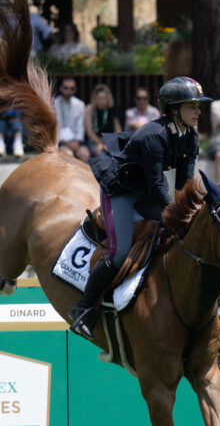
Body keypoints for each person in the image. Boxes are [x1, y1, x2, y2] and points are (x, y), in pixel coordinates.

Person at [70, 77, 208, 339]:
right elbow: (158, 185)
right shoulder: (153, 136)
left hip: (145, 192)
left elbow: (184, 183)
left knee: (182, 235)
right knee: (119, 252)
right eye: (192, 106)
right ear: (174, 109)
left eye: (198, 106)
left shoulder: (190, 136)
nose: (198, 112)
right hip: (121, 190)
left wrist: (189, 213)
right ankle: (83, 309)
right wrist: (177, 213)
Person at [84, 84, 122, 157]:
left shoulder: (112, 110)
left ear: (108, 99)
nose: (102, 101)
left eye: (104, 98)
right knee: (101, 154)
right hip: (94, 141)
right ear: (94, 99)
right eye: (99, 98)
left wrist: (108, 145)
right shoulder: (90, 109)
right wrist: (100, 144)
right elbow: (89, 131)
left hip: (109, 141)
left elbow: (118, 131)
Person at [55, 78, 88, 161]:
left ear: (75, 90)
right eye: (66, 88)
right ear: (61, 88)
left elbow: (81, 126)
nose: (68, 91)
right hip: (59, 141)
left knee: (85, 154)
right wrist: (66, 143)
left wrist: (76, 142)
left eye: (71, 88)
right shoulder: (53, 103)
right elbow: (53, 126)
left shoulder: (80, 104)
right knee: (68, 154)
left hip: (76, 141)